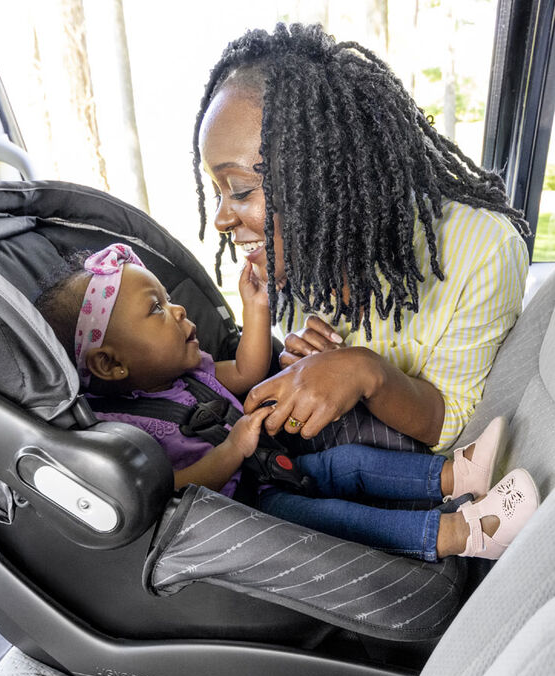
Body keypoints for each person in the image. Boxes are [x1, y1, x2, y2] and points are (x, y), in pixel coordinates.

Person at [35, 243, 539, 562]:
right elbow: (167, 490)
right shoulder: (127, 430)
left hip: (272, 465)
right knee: (342, 518)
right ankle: (468, 533)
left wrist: (257, 309)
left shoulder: (189, 371)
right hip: (250, 512)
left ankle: (457, 476)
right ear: (109, 364)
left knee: (350, 464)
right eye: (156, 310)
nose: (179, 308)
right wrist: (230, 452)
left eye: (168, 299)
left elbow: (248, 372)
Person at [192, 23, 531, 454]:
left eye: (239, 190)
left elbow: (453, 420)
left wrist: (365, 371)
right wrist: (307, 366)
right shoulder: (301, 256)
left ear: (321, 181)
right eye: (216, 190)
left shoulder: (485, 250)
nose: (221, 218)